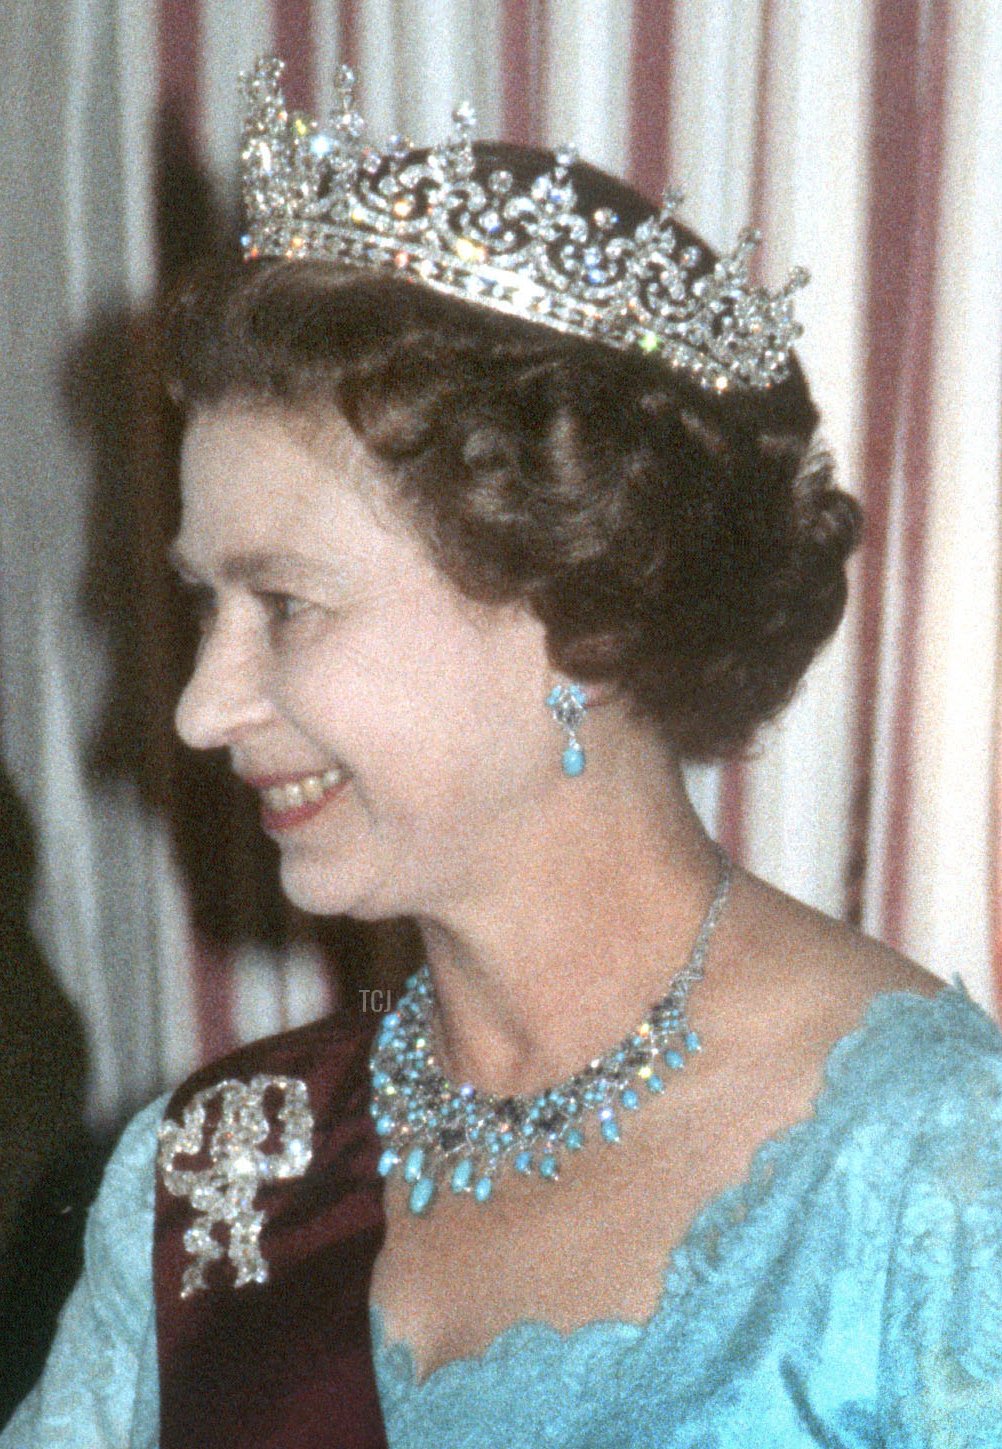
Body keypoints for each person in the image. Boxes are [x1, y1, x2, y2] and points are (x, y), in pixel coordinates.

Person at [5, 56, 1002, 1449]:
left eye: (285, 605)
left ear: (576, 612)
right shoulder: (213, 1173)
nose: (199, 707)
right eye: (202, 605)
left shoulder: (931, 1174)